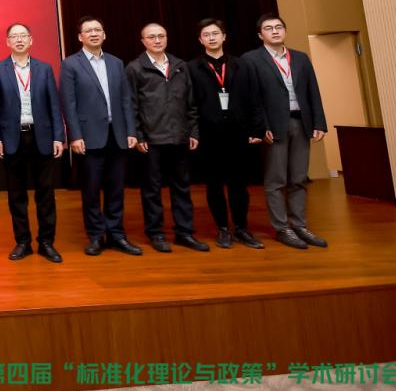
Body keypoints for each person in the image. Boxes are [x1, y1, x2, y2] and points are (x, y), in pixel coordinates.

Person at [242, 14, 329, 249]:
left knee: (299, 178)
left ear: (285, 31)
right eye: (269, 28)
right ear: (260, 35)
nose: (275, 31)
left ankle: (300, 225)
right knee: (276, 180)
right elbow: (251, 98)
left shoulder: (300, 58)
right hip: (273, 127)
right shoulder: (251, 60)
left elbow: (313, 92)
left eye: (279, 27)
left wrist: (319, 123)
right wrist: (261, 127)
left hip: (301, 122)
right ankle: (282, 228)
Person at [60, 16, 142, 257]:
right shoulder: (70, 64)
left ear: (104, 35)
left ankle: (116, 235)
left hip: (117, 134)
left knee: (116, 189)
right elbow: (69, 103)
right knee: (91, 190)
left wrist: (131, 131)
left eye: (98, 30)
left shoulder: (116, 63)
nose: (94, 34)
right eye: (88, 31)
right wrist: (75, 135)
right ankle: (96, 236)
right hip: (88, 137)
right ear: (80, 37)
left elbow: (126, 99)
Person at [125, 23, 209, 253]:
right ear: (143, 41)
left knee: (182, 187)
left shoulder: (180, 66)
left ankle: (184, 232)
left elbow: (191, 102)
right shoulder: (135, 68)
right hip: (151, 140)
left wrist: (193, 131)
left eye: (161, 36)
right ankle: (156, 233)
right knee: (152, 190)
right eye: (152, 37)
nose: (157, 40)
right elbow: (131, 105)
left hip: (179, 136)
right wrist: (138, 135)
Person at [0, 23, 65, 263]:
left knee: (45, 193)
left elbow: (54, 105)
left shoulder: (44, 68)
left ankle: (46, 242)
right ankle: (23, 242)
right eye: (14, 36)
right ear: (7, 42)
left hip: (42, 137)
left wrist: (58, 136)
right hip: (13, 139)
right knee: (16, 194)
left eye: (23, 36)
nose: (19, 40)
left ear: (31, 40)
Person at [188, 19, 266, 249]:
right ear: (200, 40)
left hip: (238, 133)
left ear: (224, 36)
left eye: (215, 33)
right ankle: (222, 228)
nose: (211, 38)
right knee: (214, 185)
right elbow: (189, 104)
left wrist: (257, 128)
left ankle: (242, 228)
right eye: (206, 34)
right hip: (208, 135)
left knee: (238, 184)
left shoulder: (242, 65)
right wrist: (193, 132)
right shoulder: (191, 68)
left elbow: (254, 98)